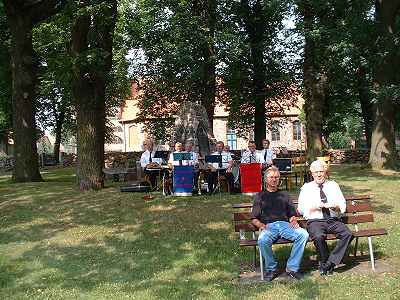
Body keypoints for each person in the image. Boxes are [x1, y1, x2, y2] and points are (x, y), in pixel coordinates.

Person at [251, 166, 309, 281]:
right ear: (266, 179)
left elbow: (292, 213)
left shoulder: (285, 195)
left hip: (285, 225)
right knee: (262, 240)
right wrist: (262, 226)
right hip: (269, 226)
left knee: (303, 234)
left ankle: (292, 268)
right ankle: (271, 268)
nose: (274, 179)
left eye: (277, 177)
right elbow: (254, 218)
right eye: (271, 177)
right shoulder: (260, 196)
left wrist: (293, 219)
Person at [297, 159, 353, 275]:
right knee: (318, 236)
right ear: (312, 174)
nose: (319, 174)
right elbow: (301, 209)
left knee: (348, 234)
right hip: (315, 221)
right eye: (316, 172)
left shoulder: (333, 185)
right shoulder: (306, 188)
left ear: (325, 172)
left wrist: (334, 207)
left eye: (321, 171)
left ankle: (330, 263)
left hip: (332, 219)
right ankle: (325, 260)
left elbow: (342, 206)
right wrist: (313, 207)